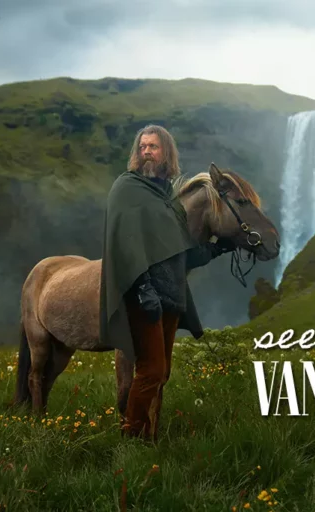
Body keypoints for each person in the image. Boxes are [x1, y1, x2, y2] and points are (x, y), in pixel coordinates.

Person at [99, 124, 234, 442]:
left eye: (154, 146)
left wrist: (218, 248)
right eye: (142, 146)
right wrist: (144, 287)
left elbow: (181, 254)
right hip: (143, 295)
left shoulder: (168, 199)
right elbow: (125, 241)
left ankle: (145, 434)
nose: (147, 151)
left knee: (162, 372)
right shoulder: (126, 188)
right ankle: (133, 438)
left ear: (167, 153)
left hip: (171, 296)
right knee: (151, 370)